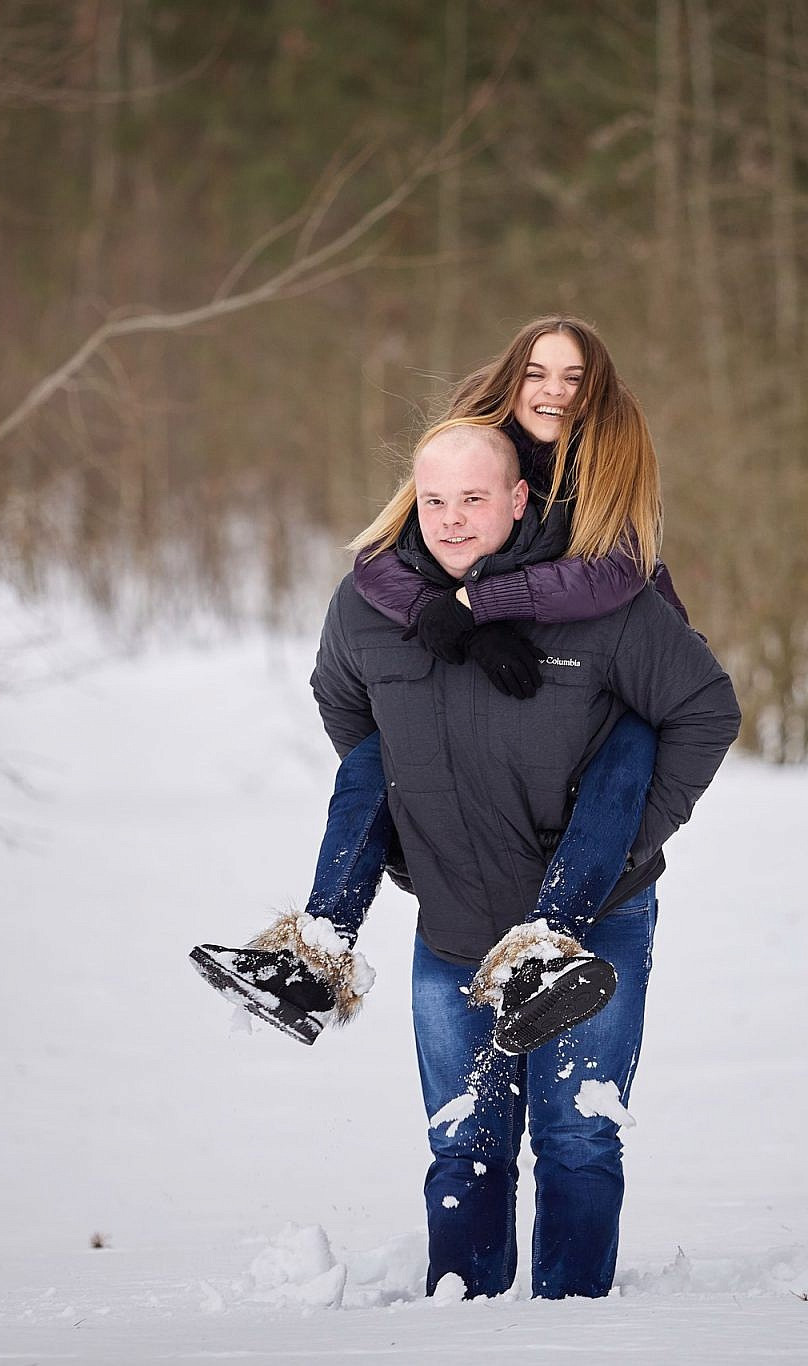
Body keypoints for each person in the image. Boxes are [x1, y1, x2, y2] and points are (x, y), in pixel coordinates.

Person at [231, 421, 739, 1299]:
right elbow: (347, 713)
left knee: (578, 1136)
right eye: (434, 501)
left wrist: (631, 840)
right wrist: (414, 830)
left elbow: (704, 711)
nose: (453, 520)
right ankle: (460, 1324)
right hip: (458, 923)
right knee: (464, 1139)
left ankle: (572, 1329)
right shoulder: (370, 608)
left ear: (518, 499)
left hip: (590, 930)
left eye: (474, 500)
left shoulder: (599, 602)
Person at [191, 318, 690, 1049]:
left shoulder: (610, 469)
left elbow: (613, 575)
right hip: (464, 673)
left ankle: (551, 943)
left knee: (635, 734)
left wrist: (483, 605)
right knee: (385, 747)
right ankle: (312, 952)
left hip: (601, 664)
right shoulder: (468, 448)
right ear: (512, 377)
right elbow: (380, 557)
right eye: (538, 373)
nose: (553, 391)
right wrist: (437, 616)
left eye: (574, 379)